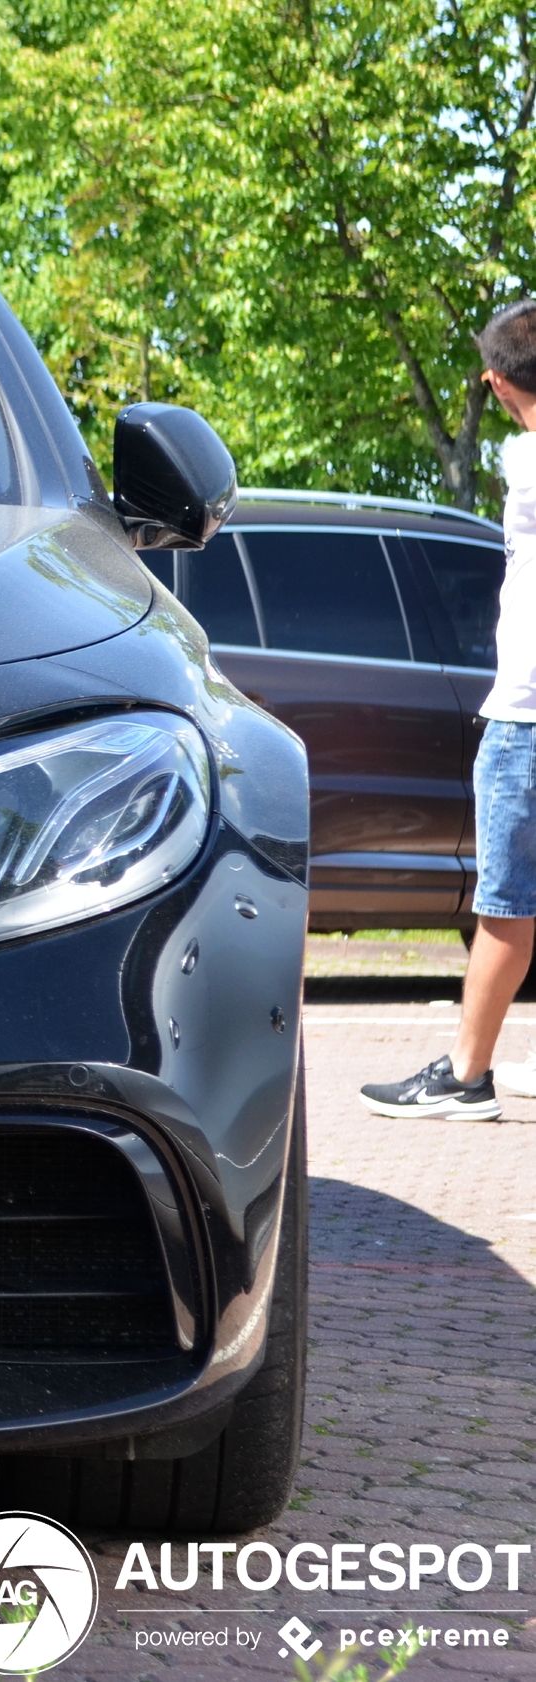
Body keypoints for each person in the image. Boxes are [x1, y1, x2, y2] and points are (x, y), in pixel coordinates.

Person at [361, 301, 536, 1120]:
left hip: (527, 719)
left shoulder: (523, 460)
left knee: (505, 902)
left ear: (496, 385)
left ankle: (467, 1076)